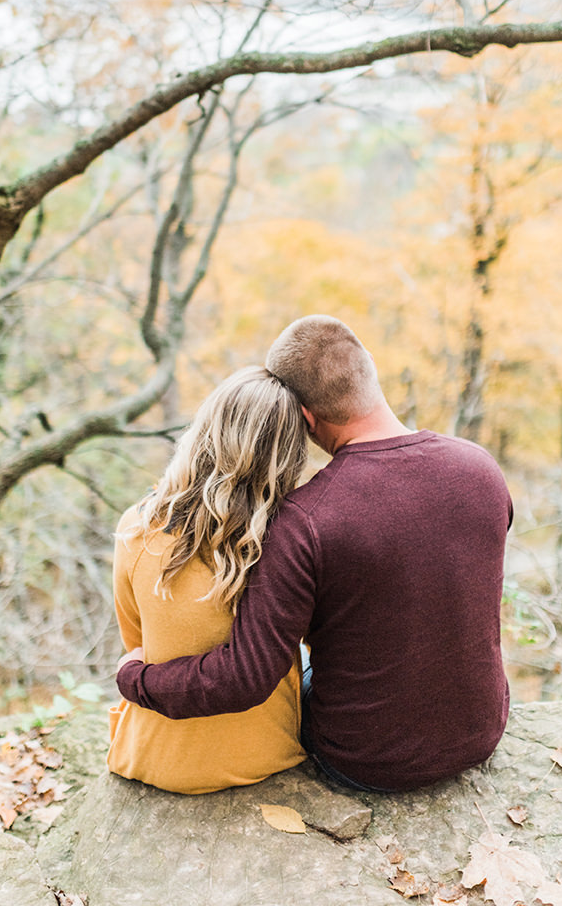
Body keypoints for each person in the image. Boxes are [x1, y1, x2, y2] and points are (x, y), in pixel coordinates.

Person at [116, 315, 513, 793]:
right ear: (369, 372)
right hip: (480, 732)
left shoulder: (305, 520)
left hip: (365, 758)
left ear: (303, 419)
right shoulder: (481, 468)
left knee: (292, 672)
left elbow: (243, 677)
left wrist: (135, 677)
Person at [108, 365, 308, 793]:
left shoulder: (136, 528)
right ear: (289, 456)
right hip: (261, 754)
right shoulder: (291, 543)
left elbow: (137, 645)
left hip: (153, 757)